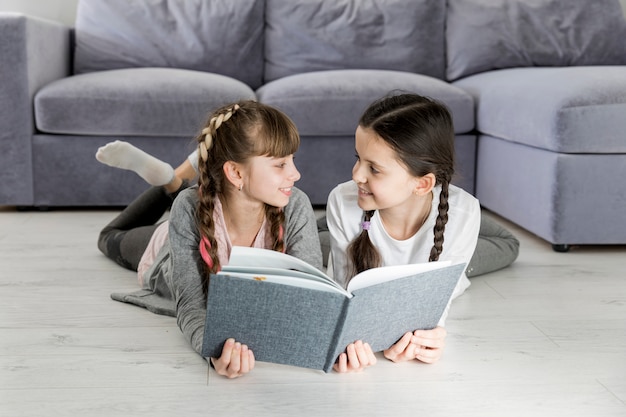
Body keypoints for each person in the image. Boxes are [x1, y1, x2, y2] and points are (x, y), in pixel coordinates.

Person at [96, 100, 323, 379]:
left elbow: (312, 298)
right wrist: (213, 349)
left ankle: (174, 178)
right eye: (280, 164)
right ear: (236, 173)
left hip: (205, 215)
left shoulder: (296, 205)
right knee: (108, 237)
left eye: (293, 160)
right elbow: (191, 304)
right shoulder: (188, 209)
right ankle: (170, 181)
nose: (296, 174)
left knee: (190, 198)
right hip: (168, 254)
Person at [324, 93, 519, 373]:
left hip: (444, 221)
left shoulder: (463, 212)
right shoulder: (343, 199)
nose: (356, 174)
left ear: (423, 183)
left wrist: (427, 338)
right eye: (358, 158)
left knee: (507, 244)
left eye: (374, 169)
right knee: (329, 235)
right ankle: (324, 224)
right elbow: (346, 302)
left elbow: (434, 314)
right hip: (366, 214)